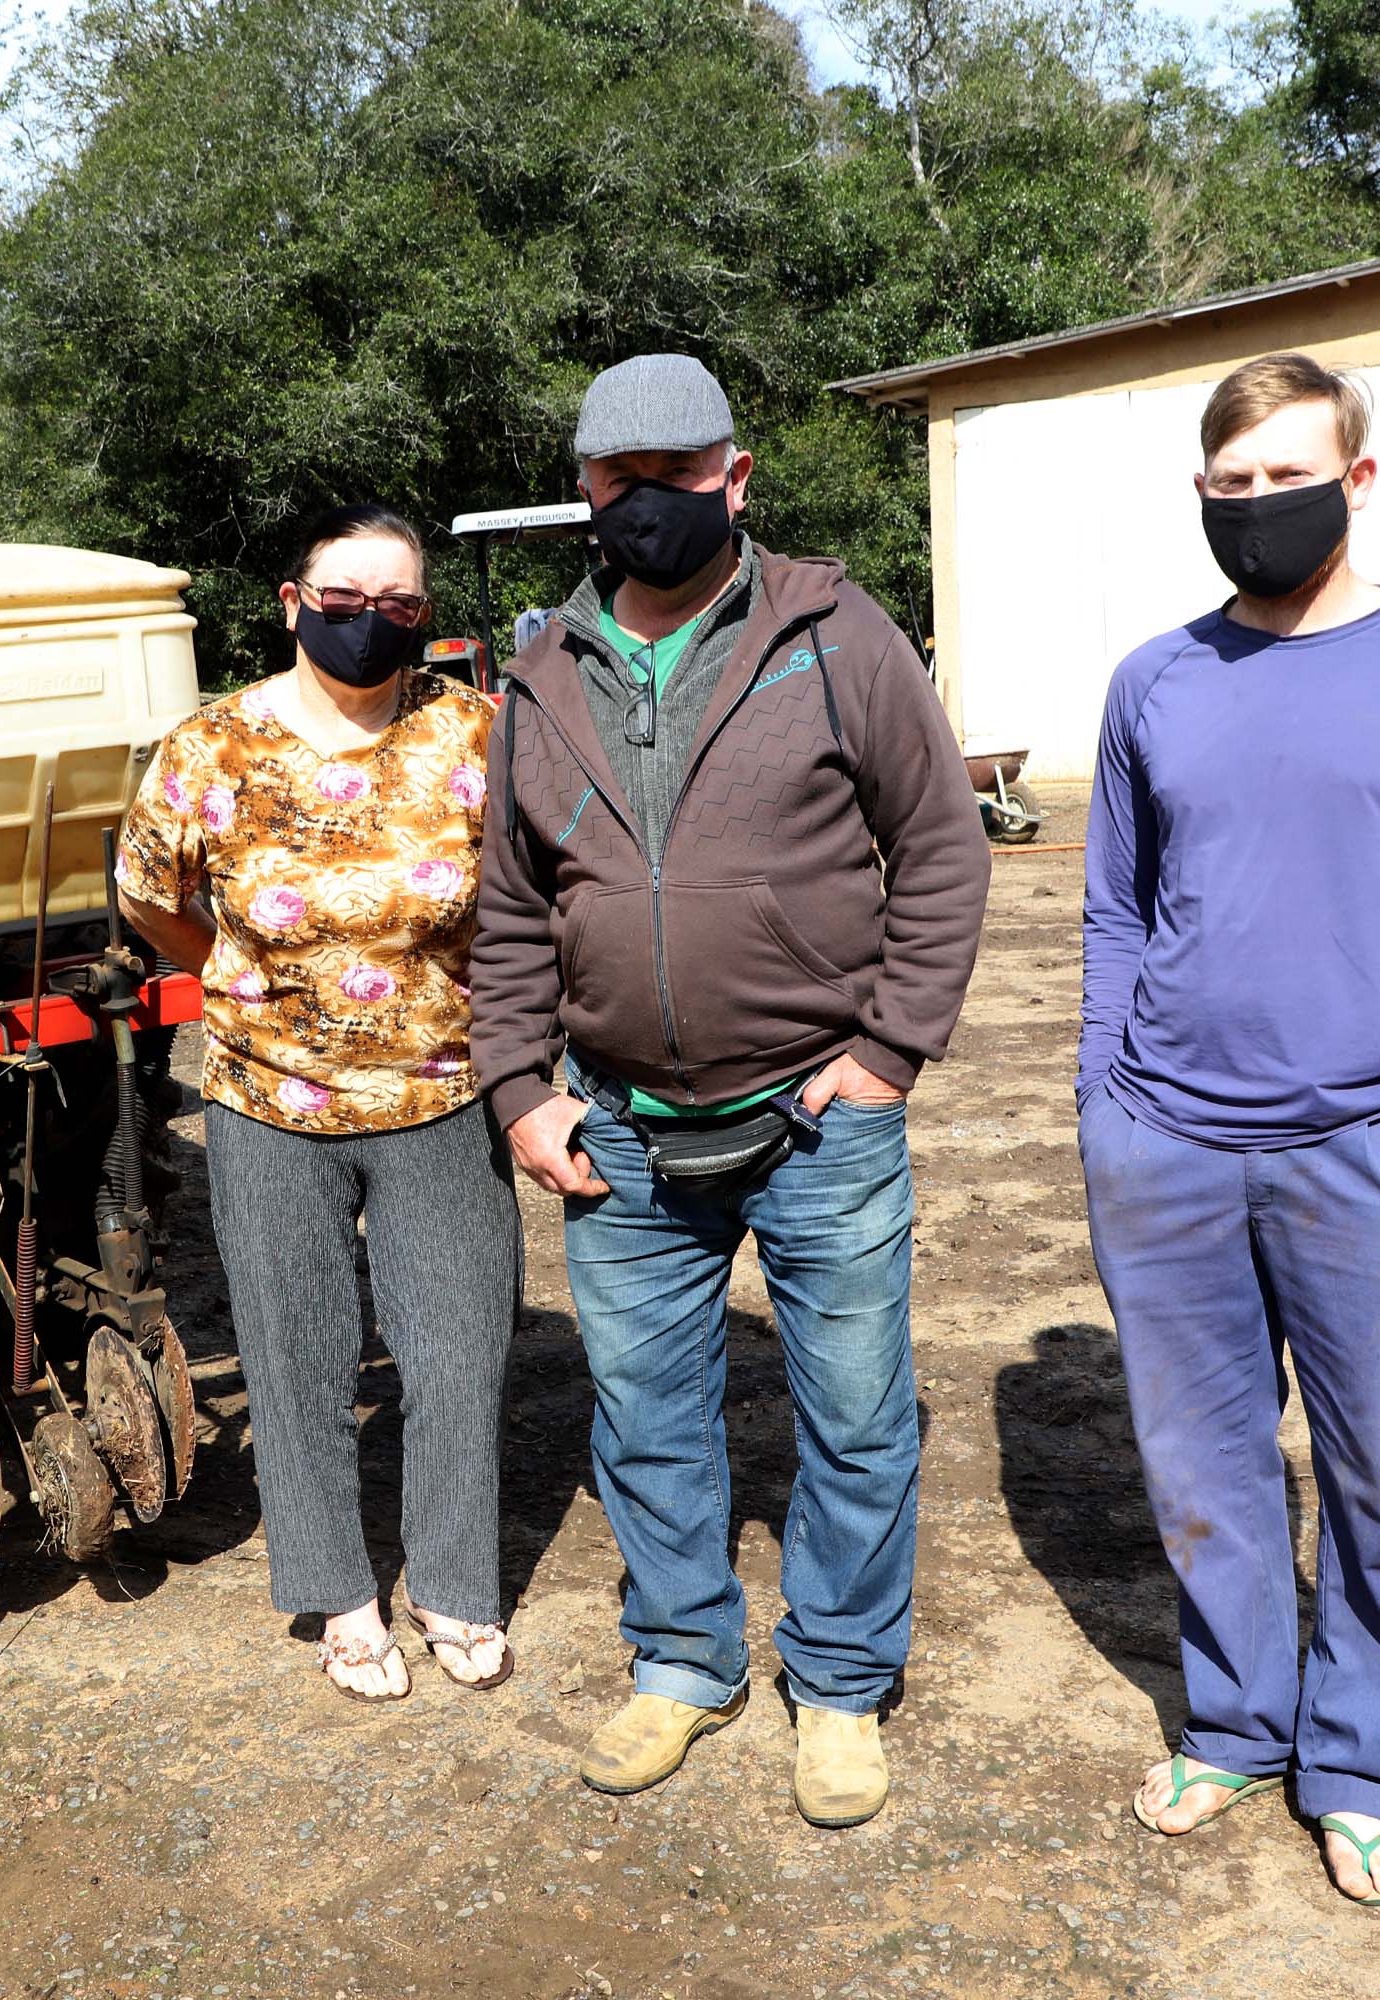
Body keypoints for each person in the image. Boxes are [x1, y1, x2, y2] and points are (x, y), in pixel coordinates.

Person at [469, 354, 991, 1827]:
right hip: (619, 1128)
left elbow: (941, 848)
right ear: (587, 489)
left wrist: (889, 1053)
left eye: (678, 477)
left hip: (819, 1120)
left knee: (855, 1411)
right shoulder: (543, 667)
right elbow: (510, 910)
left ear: (737, 478)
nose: (648, 507)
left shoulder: (834, 634)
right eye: (620, 482)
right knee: (646, 1415)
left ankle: (836, 1683)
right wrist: (520, 1086)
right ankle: (686, 1662)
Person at [1078, 352, 1380, 1907]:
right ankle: (1233, 1724)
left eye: (1289, 478)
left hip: (1379, 1153)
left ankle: (1358, 1764)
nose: (1260, 507)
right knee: (1201, 1461)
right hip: (1172, 1149)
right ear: (1202, 496)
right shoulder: (1155, 680)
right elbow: (1114, 911)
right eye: (1233, 485)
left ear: (1357, 478)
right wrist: (1107, 1104)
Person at [115, 503, 521, 1703]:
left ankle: (453, 1579)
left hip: (443, 1094)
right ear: (293, 602)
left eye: (398, 604)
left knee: (459, 1354)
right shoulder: (212, 747)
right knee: (297, 1358)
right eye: (344, 599)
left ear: (424, 618)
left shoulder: (475, 732)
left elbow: (527, 904)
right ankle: (342, 1595)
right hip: (267, 1103)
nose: (370, 622)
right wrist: (249, 982)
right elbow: (152, 898)